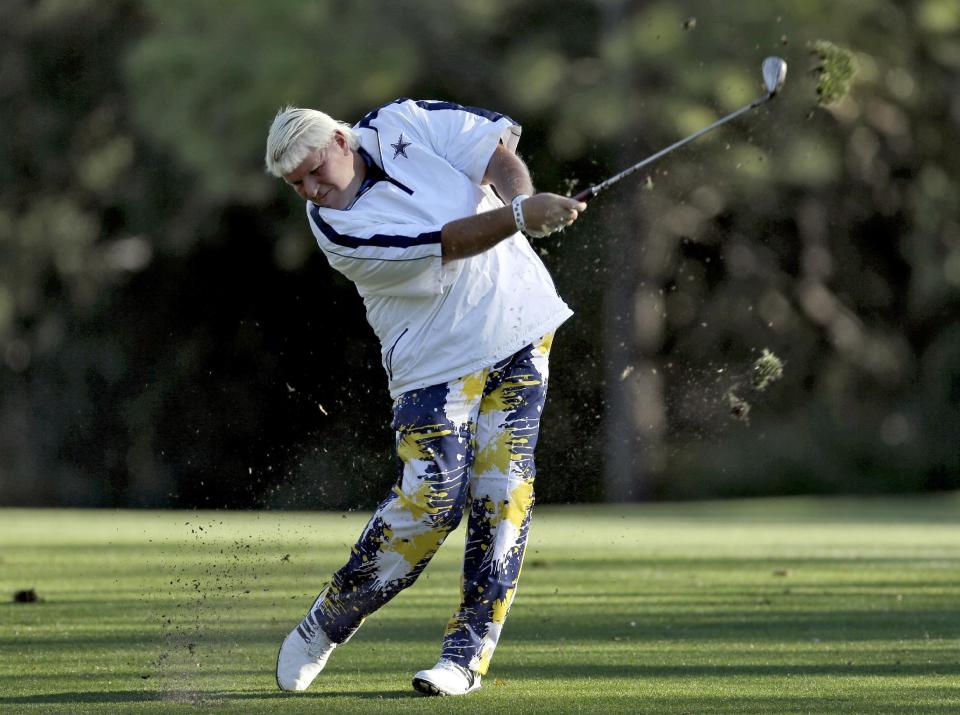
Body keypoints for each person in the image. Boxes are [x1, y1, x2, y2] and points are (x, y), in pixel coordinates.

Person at [264, 98, 585, 697]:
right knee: (430, 501)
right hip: (434, 364)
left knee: (502, 496)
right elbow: (450, 241)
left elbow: (494, 155)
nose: (310, 190)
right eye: (295, 184)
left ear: (340, 140)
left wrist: (526, 200)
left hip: (520, 327)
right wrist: (520, 214)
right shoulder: (337, 230)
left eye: (314, 171)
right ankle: (327, 621)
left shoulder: (403, 120)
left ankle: (464, 658)